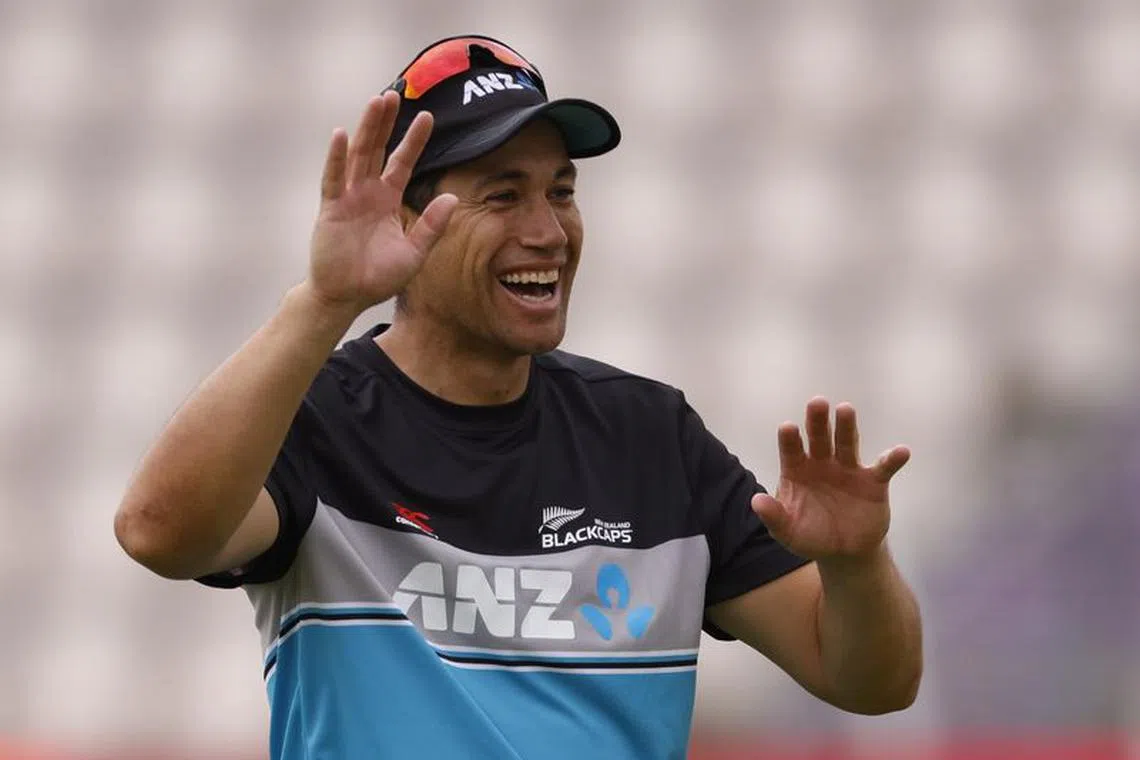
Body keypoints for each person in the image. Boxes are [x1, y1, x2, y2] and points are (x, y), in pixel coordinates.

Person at [114, 34, 923, 760]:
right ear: (407, 218)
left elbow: (870, 682)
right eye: (503, 196)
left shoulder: (649, 434)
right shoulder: (317, 417)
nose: (548, 231)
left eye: (561, 192)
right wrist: (326, 302)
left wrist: (856, 565)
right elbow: (159, 534)